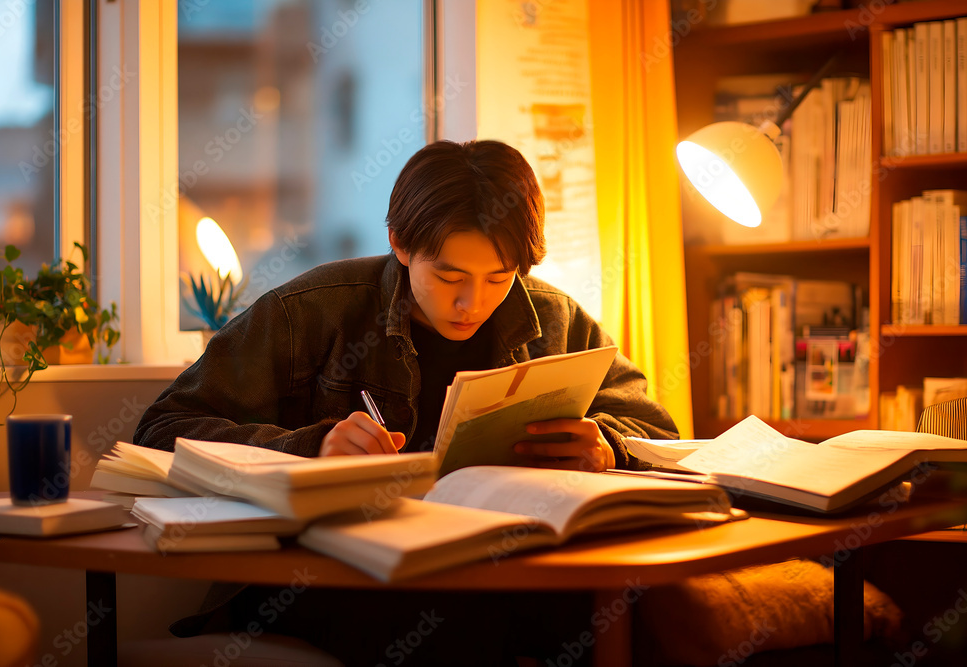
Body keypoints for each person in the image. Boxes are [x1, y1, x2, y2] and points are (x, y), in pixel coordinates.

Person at [133, 139, 678, 666]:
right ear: (399, 243)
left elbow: (659, 430)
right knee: (450, 622)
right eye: (448, 276)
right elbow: (162, 428)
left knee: (632, 609)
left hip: (499, 565)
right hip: (328, 574)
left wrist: (607, 445)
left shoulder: (552, 318)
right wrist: (310, 447)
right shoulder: (311, 312)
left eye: (499, 277)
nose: (474, 303)